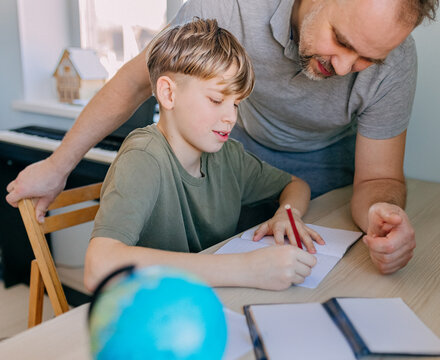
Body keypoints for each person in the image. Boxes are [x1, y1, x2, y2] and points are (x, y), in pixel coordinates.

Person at [6, 0, 439, 274]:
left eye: (368, 58)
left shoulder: (396, 63)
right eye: (341, 41)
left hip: (327, 175)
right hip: (244, 159)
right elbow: (136, 80)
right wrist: (58, 165)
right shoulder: (229, 7)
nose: (345, 68)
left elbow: (376, 179)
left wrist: (383, 211)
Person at [83, 19, 323, 291]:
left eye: (236, 104)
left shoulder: (228, 155)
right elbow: (98, 266)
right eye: (217, 100)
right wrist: (246, 268)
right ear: (168, 93)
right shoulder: (143, 157)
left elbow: (295, 184)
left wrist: (286, 213)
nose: (231, 117)